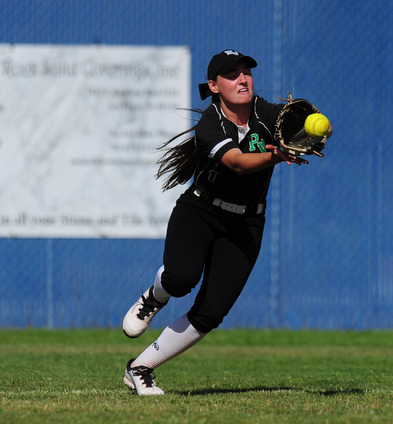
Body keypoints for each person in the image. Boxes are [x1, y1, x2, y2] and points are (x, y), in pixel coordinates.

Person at [121, 49, 332, 395]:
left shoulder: (267, 114)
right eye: (232, 74)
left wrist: (318, 128)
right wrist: (277, 154)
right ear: (214, 85)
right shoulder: (210, 124)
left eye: (246, 71)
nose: (243, 78)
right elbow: (236, 162)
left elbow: (299, 123)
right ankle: (155, 295)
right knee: (181, 278)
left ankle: (140, 368)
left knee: (211, 312)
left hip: (247, 223)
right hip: (201, 211)